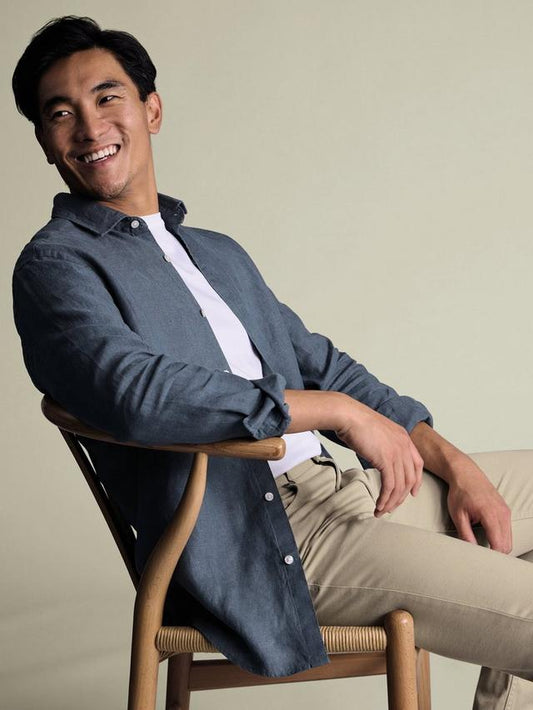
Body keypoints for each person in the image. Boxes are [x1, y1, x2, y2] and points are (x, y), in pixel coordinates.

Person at [11, 15, 533, 708]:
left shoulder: (216, 253)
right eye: (60, 113)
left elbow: (324, 365)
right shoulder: (55, 267)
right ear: (45, 141)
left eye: (108, 97)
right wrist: (337, 414)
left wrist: (455, 465)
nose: (88, 125)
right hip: (267, 541)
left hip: (347, 492)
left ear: (151, 110)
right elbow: (136, 393)